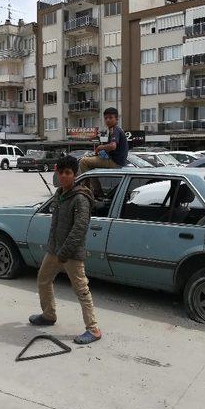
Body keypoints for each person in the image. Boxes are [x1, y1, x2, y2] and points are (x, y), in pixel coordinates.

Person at [29, 155, 102, 345]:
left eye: (67, 173)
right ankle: (49, 315)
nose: (63, 176)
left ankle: (93, 329)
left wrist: (64, 253)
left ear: (75, 174)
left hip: (71, 253)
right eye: (60, 173)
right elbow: (56, 224)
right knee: (43, 280)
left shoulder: (80, 198)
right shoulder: (59, 193)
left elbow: (80, 228)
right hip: (55, 250)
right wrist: (55, 249)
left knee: (81, 290)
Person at [79, 106, 128, 174]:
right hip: (118, 162)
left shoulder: (115, 130)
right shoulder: (115, 130)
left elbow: (112, 146)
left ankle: (88, 184)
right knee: (91, 163)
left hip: (115, 163)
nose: (108, 120)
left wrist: (100, 148)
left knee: (83, 161)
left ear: (117, 119)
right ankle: (94, 184)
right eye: (106, 118)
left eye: (110, 117)